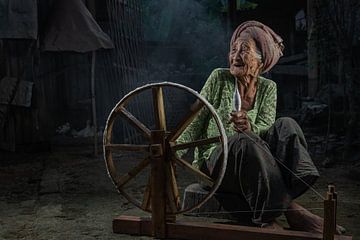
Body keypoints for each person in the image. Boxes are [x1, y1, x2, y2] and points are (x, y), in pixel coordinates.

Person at [177, 20, 344, 233]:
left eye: (244, 50)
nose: (235, 56)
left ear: (261, 61)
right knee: (243, 141)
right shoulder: (219, 77)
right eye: (233, 50)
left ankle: (287, 201)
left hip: (256, 162)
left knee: (287, 125)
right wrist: (173, 150)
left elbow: (265, 127)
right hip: (216, 162)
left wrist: (250, 126)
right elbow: (196, 119)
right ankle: (286, 213)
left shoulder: (268, 87)